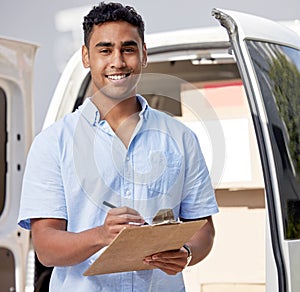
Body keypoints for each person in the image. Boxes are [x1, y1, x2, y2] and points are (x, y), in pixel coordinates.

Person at [18, 2, 219, 291]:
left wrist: (186, 253)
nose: (118, 61)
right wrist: (100, 235)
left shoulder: (182, 138)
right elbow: (46, 248)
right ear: (86, 57)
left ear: (144, 54)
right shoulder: (53, 143)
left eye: (128, 49)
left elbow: (203, 228)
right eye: (105, 50)